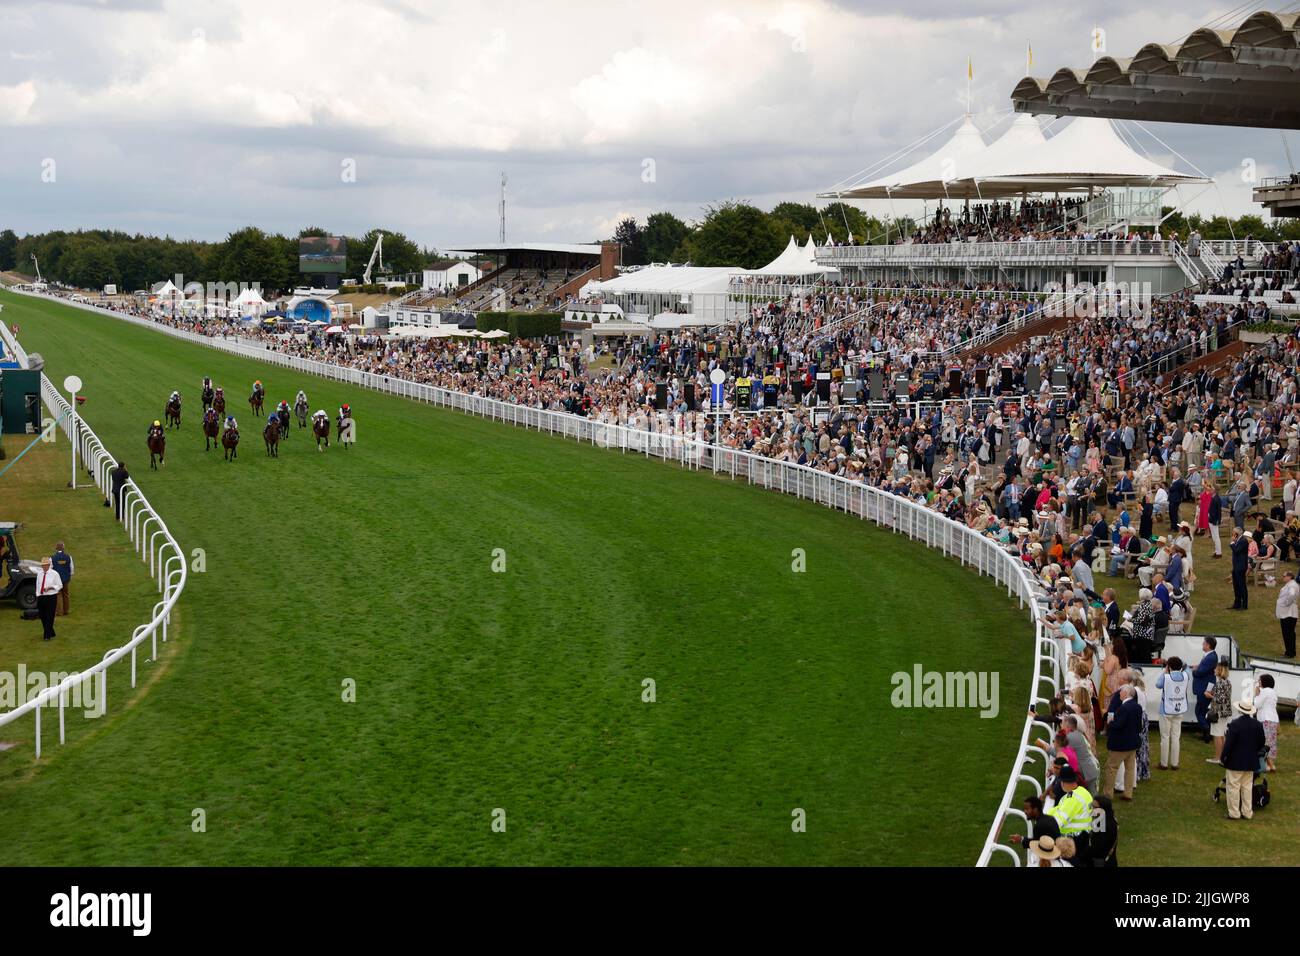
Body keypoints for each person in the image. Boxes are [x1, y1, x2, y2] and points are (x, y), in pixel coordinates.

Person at [1220, 696, 1265, 820]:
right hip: (1250, 760)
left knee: (1233, 787)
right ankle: (1247, 812)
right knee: (1247, 786)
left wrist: (1223, 757)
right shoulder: (1257, 725)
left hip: (1235, 760)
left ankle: (1234, 813)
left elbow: (1228, 743)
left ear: (1240, 710)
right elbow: (1262, 742)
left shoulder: (1235, 724)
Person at [1104, 685, 1142, 800]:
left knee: (1111, 768)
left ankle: (1108, 794)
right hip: (1133, 743)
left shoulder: (1123, 708)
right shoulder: (1137, 707)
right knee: (1130, 769)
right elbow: (1139, 726)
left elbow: (1118, 725)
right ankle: (1128, 793)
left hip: (1120, 745)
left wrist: (1110, 723)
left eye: (1120, 692)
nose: (1119, 694)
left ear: (1126, 693)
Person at [1155, 656, 1188, 770]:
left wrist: (1165, 671)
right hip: (1179, 710)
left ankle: (1164, 763)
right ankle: (1175, 763)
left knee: (1165, 737)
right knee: (1175, 737)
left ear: (1169, 667)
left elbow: (1158, 684)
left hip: (1166, 710)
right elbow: (1186, 666)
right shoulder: (1185, 675)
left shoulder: (1166, 677)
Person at [1192, 637, 1218, 742]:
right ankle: (1206, 732)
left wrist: (1194, 670)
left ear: (1208, 645)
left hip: (1205, 687)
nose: (1202, 645)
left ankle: (1206, 731)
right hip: (1205, 686)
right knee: (1202, 710)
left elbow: (1200, 672)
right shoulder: (1210, 656)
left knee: (1200, 711)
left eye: (1204, 644)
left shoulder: (1211, 657)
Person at [1206, 660, 1233, 763]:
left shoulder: (1220, 683)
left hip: (1218, 712)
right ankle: (1223, 757)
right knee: (1222, 734)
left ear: (1220, 670)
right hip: (1224, 712)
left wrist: (1210, 696)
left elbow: (1220, 700)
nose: (1214, 670)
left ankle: (1218, 757)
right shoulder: (1227, 682)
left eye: (1216, 668)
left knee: (1217, 735)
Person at [1255, 674, 1280, 772]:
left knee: (1264, 742)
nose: (1258, 682)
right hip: (1273, 719)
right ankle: (1268, 764)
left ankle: (1270, 765)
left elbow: (1257, 704)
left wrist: (1256, 695)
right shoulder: (1273, 692)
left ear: (1264, 682)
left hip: (1265, 719)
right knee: (1270, 742)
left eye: (1260, 681)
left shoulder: (1264, 691)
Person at [35, 556, 62, 640]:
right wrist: (37, 594)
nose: (44, 566)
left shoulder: (54, 574)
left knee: (49, 616)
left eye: (46, 565)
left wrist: (51, 587)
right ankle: (51, 632)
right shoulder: (39, 573)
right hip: (41, 596)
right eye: (43, 565)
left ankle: (47, 635)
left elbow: (60, 585)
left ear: (49, 565)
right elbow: (38, 584)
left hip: (51, 597)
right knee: (42, 616)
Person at [1277, 569, 1298, 658]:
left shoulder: (1292, 585)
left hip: (1288, 613)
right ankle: (1290, 652)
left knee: (1288, 633)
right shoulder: (1290, 584)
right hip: (1288, 612)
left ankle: (1289, 653)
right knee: (1289, 633)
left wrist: (1286, 603)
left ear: (1289, 577)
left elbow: (1292, 595)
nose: (1283, 577)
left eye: (1284, 576)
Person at [1229, 528, 1250, 610]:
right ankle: (1237, 603)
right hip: (1236, 566)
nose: (1232, 534)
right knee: (1236, 586)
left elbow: (1237, 551)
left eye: (1233, 533)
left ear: (1237, 533)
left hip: (1241, 567)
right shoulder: (1239, 540)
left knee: (1242, 586)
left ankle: (1244, 605)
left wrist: (1232, 543)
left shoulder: (1243, 541)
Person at [51, 541, 73, 616]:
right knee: (66, 594)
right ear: (63, 548)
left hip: (57, 579)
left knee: (58, 594)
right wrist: (69, 576)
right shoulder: (68, 557)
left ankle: (59, 612)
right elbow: (71, 568)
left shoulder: (52, 558)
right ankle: (66, 610)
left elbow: (50, 569)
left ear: (56, 548)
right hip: (66, 579)